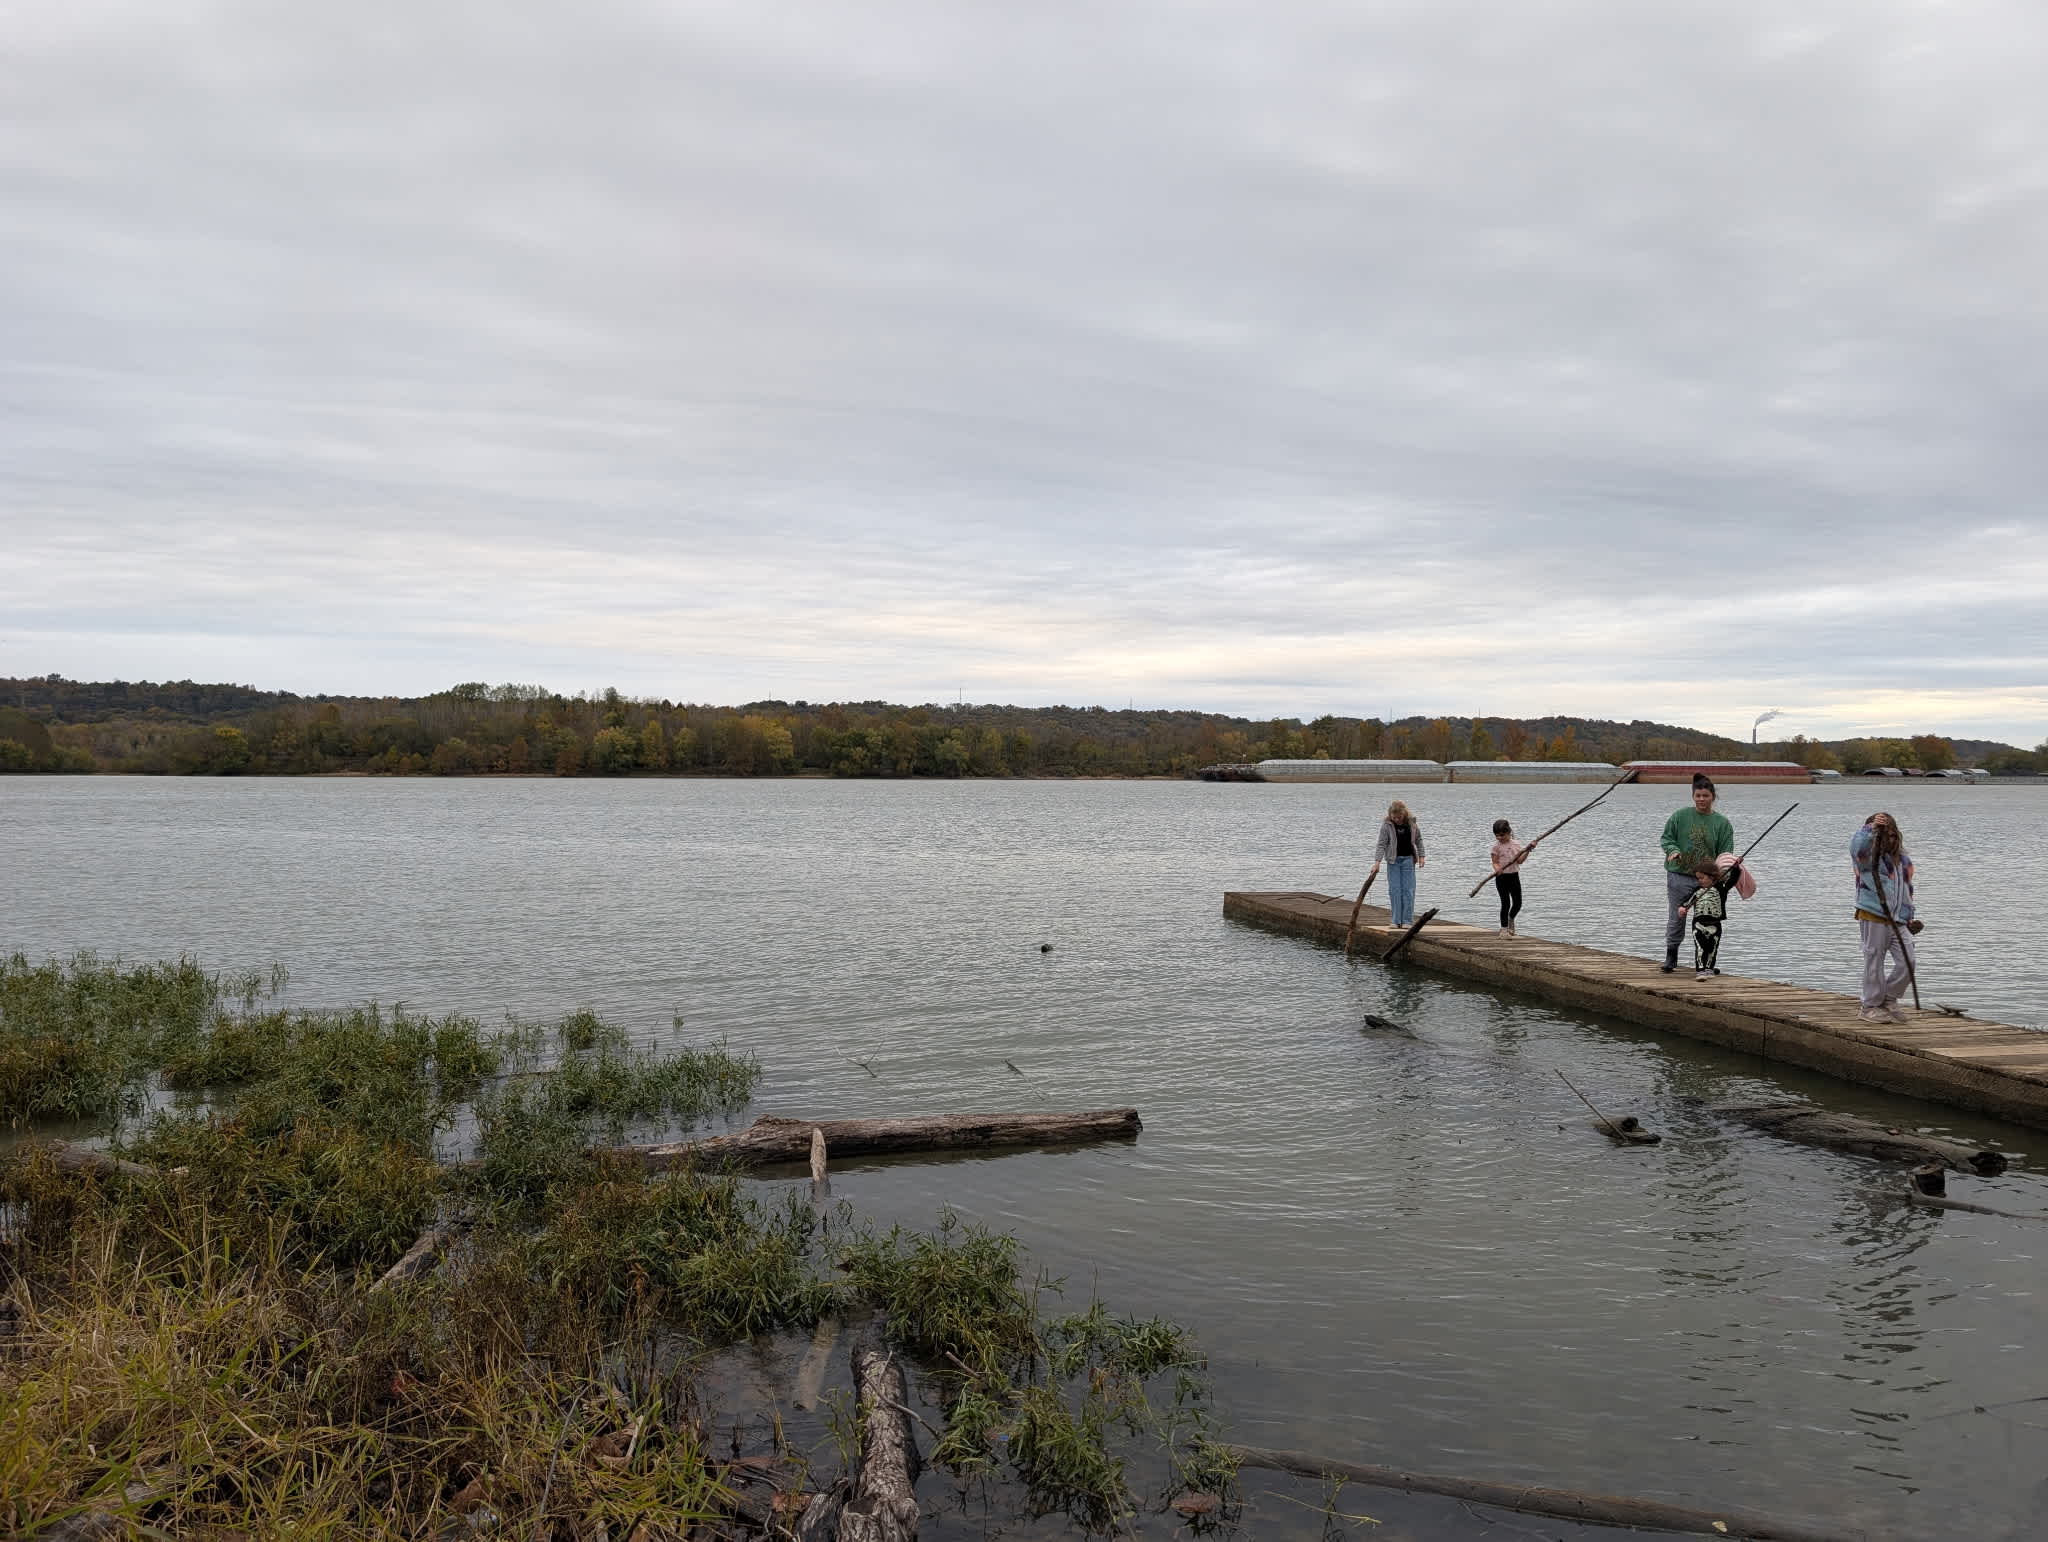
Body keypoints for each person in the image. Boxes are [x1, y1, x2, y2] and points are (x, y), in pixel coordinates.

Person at [1658, 774, 1733, 973]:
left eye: (1705, 796)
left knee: (1707, 920)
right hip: (1679, 875)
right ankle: (1671, 956)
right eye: (1697, 795)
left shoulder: (1722, 823)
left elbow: (1725, 853)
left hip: (1708, 880)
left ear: (1713, 797)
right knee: (1677, 916)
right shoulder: (1680, 816)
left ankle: (1705, 963)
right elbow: (1666, 838)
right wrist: (1672, 850)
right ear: (1693, 796)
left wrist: (1722, 873)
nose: (1701, 799)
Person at [1850, 812, 1916, 1023]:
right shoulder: (1867, 859)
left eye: (1891, 835)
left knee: (1908, 961)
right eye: (1883, 835)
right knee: (1874, 960)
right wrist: (1871, 830)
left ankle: (1888, 998)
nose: (1888, 839)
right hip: (1873, 914)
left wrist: (1909, 915)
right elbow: (1857, 848)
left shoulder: (1903, 860)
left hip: (1899, 919)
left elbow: (1906, 889)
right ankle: (1869, 1006)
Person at [1678, 858, 1740, 980]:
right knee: (1700, 947)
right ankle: (1700, 971)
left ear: (1712, 877)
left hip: (1715, 924)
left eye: (1701, 878)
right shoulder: (1697, 891)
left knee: (1712, 948)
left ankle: (1709, 969)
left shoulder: (1721, 888)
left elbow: (1733, 879)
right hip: (1698, 924)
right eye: (1698, 878)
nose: (1699, 881)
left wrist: (1736, 868)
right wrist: (1682, 908)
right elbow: (1686, 901)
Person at [1368, 800, 1426, 928]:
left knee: (1408, 890)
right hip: (1393, 861)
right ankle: (1396, 920)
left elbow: (1419, 840)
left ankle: (1407, 921)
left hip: (1408, 860)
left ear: (1404, 814)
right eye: (1394, 818)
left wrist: (1421, 856)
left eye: (1399, 817)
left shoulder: (1412, 824)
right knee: (1395, 890)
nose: (1397, 820)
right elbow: (1381, 844)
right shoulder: (1387, 825)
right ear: (1390, 816)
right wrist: (1376, 863)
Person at [1489, 818, 1527, 938]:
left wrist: (1528, 851)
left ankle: (1511, 919)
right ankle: (1504, 930)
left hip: (1514, 876)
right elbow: (1494, 862)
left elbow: (1520, 861)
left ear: (1508, 832)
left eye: (1502, 835)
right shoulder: (1496, 847)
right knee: (1505, 903)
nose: (1499, 838)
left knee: (1518, 903)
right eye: (1497, 836)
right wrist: (1497, 869)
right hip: (1501, 878)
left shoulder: (1516, 844)